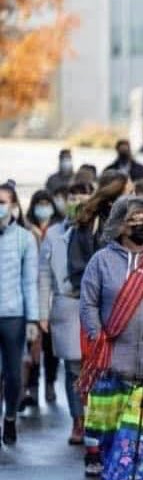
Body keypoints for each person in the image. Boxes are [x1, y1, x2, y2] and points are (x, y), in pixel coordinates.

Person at [78, 195, 143, 480]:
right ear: (119, 226)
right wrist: (97, 334)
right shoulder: (101, 261)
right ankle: (111, 476)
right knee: (112, 422)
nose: (142, 226)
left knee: (142, 425)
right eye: (134, 221)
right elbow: (88, 303)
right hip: (110, 356)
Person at [39, 182, 95, 445]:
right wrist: (41, 313)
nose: (77, 200)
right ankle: (77, 420)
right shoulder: (53, 234)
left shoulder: (99, 229)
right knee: (73, 368)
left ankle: (94, 418)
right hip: (66, 304)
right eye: (72, 196)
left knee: (93, 367)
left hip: (94, 305)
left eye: (84, 196)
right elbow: (44, 276)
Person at [0, 180, 40, 446]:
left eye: (3, 202)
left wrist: (33, 318)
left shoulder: (24, 238)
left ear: (13, 205)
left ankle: (11, 416)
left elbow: (30, 281)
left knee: (14, 374)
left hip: (13, 315)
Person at [19, 190, 62, 412]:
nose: (43, 207)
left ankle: (50, 384)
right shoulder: (26, 230)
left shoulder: (59, 231)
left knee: (52, 347)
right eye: (39, 203)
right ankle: (33, 386)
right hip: (32, 296)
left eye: (47, 203)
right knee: (33, 344)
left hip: (54, 296)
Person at [67, 171, 133, 294]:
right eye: (129, 194)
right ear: (112, 202)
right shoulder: (88, 226)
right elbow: (77, 272)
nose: (135, 198)